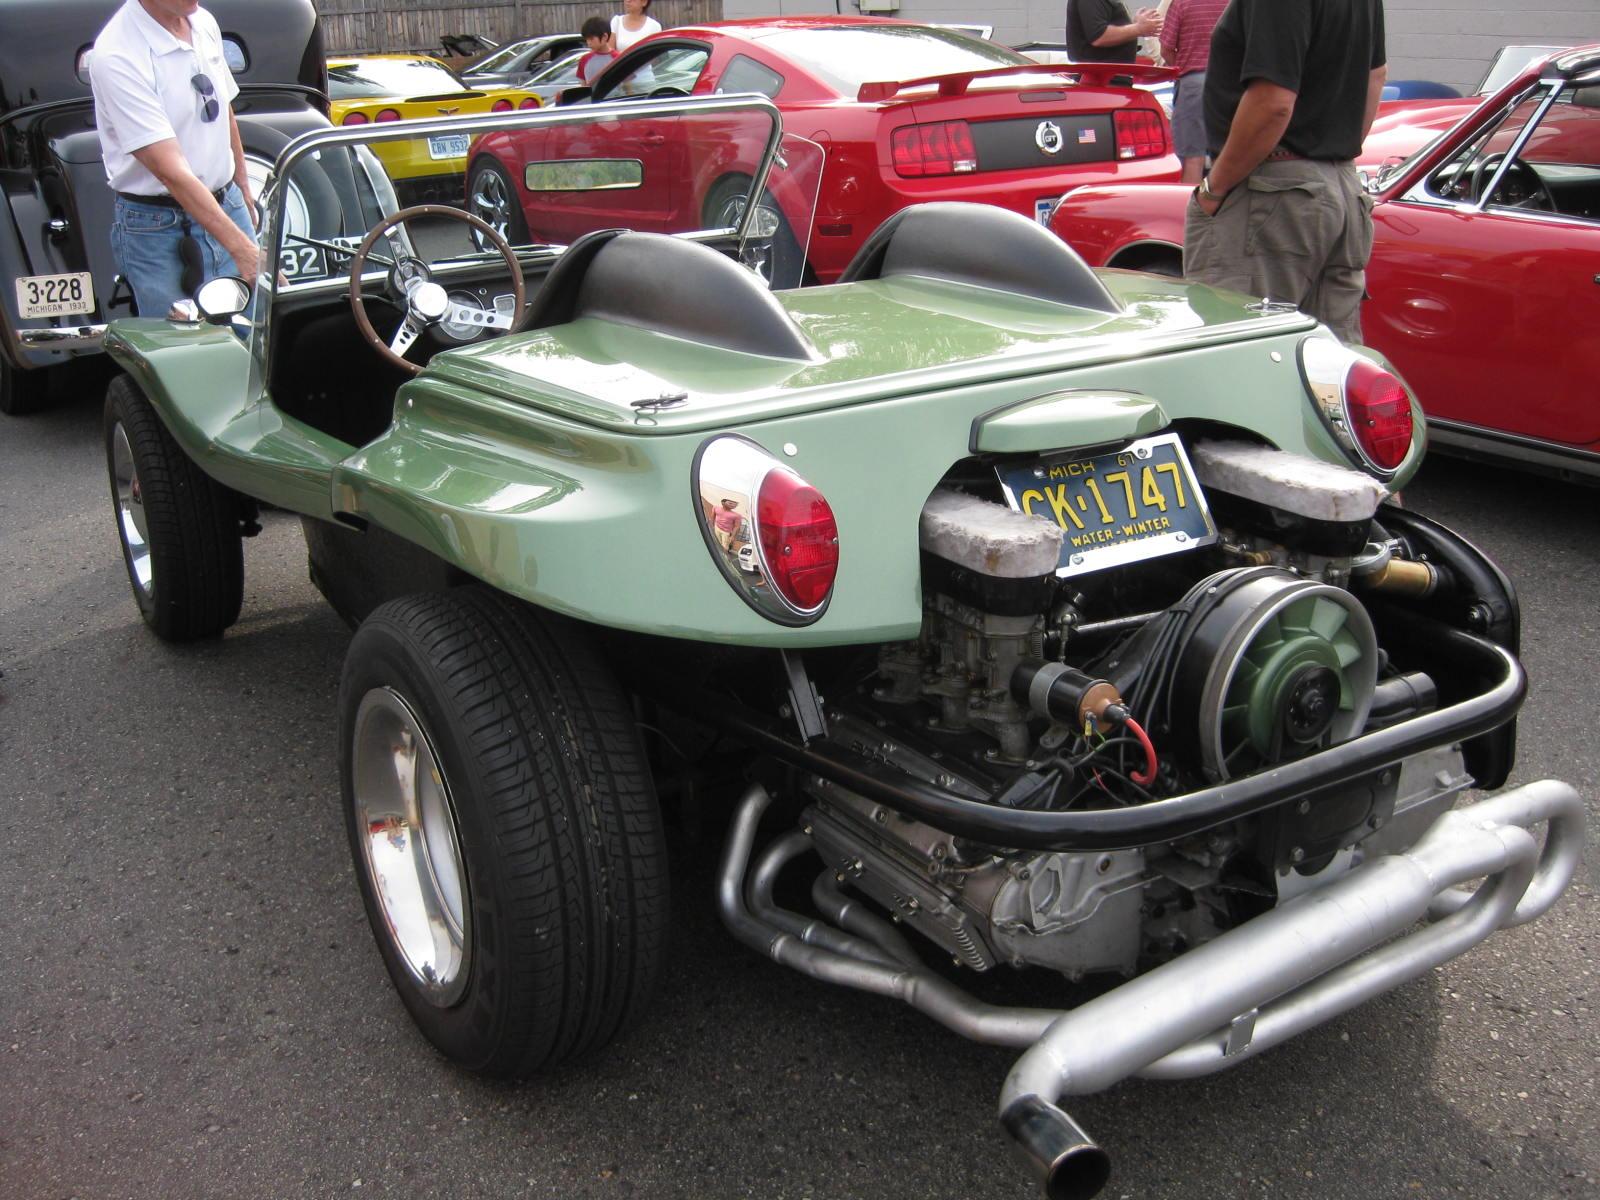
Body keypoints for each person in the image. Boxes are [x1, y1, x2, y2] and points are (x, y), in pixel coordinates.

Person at [1185, 0, 1386, 346]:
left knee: (1239, 355)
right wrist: (1328, 154)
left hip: (1272, 190)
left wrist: (1214, 188)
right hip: (1341, 185)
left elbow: (1273, 103)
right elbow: (1375, 77)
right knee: (1327, 369)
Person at [90, 0, 259, 320]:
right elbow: (170, 171)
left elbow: (223, 111)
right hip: (158, 228)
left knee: (259, 338)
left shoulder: (203, 22)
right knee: (183, 353)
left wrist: (242, 187)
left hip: (228, 204)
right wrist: (242, 249)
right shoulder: (117, 54)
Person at [1158, 0, 1229, 184]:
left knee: (1192, 157)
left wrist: (1180, 64)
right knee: (1228, 154)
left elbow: (1166, 48)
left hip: (1193, 84)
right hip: (1228, 83)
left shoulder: (1182, 3)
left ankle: (1192, 209)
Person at [1066, 0, 1163, 66]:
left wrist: (1135, 26)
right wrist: (1138, 29)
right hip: (1100, 80)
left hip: (1108, 79)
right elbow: (1099, 36)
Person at [576, 16, 617, 84]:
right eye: (587, 39)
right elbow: (583, 86)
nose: (589, 43)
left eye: (591, 39)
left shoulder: (617, 58)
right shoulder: (584, 59)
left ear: (604, 37)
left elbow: (627, 86)